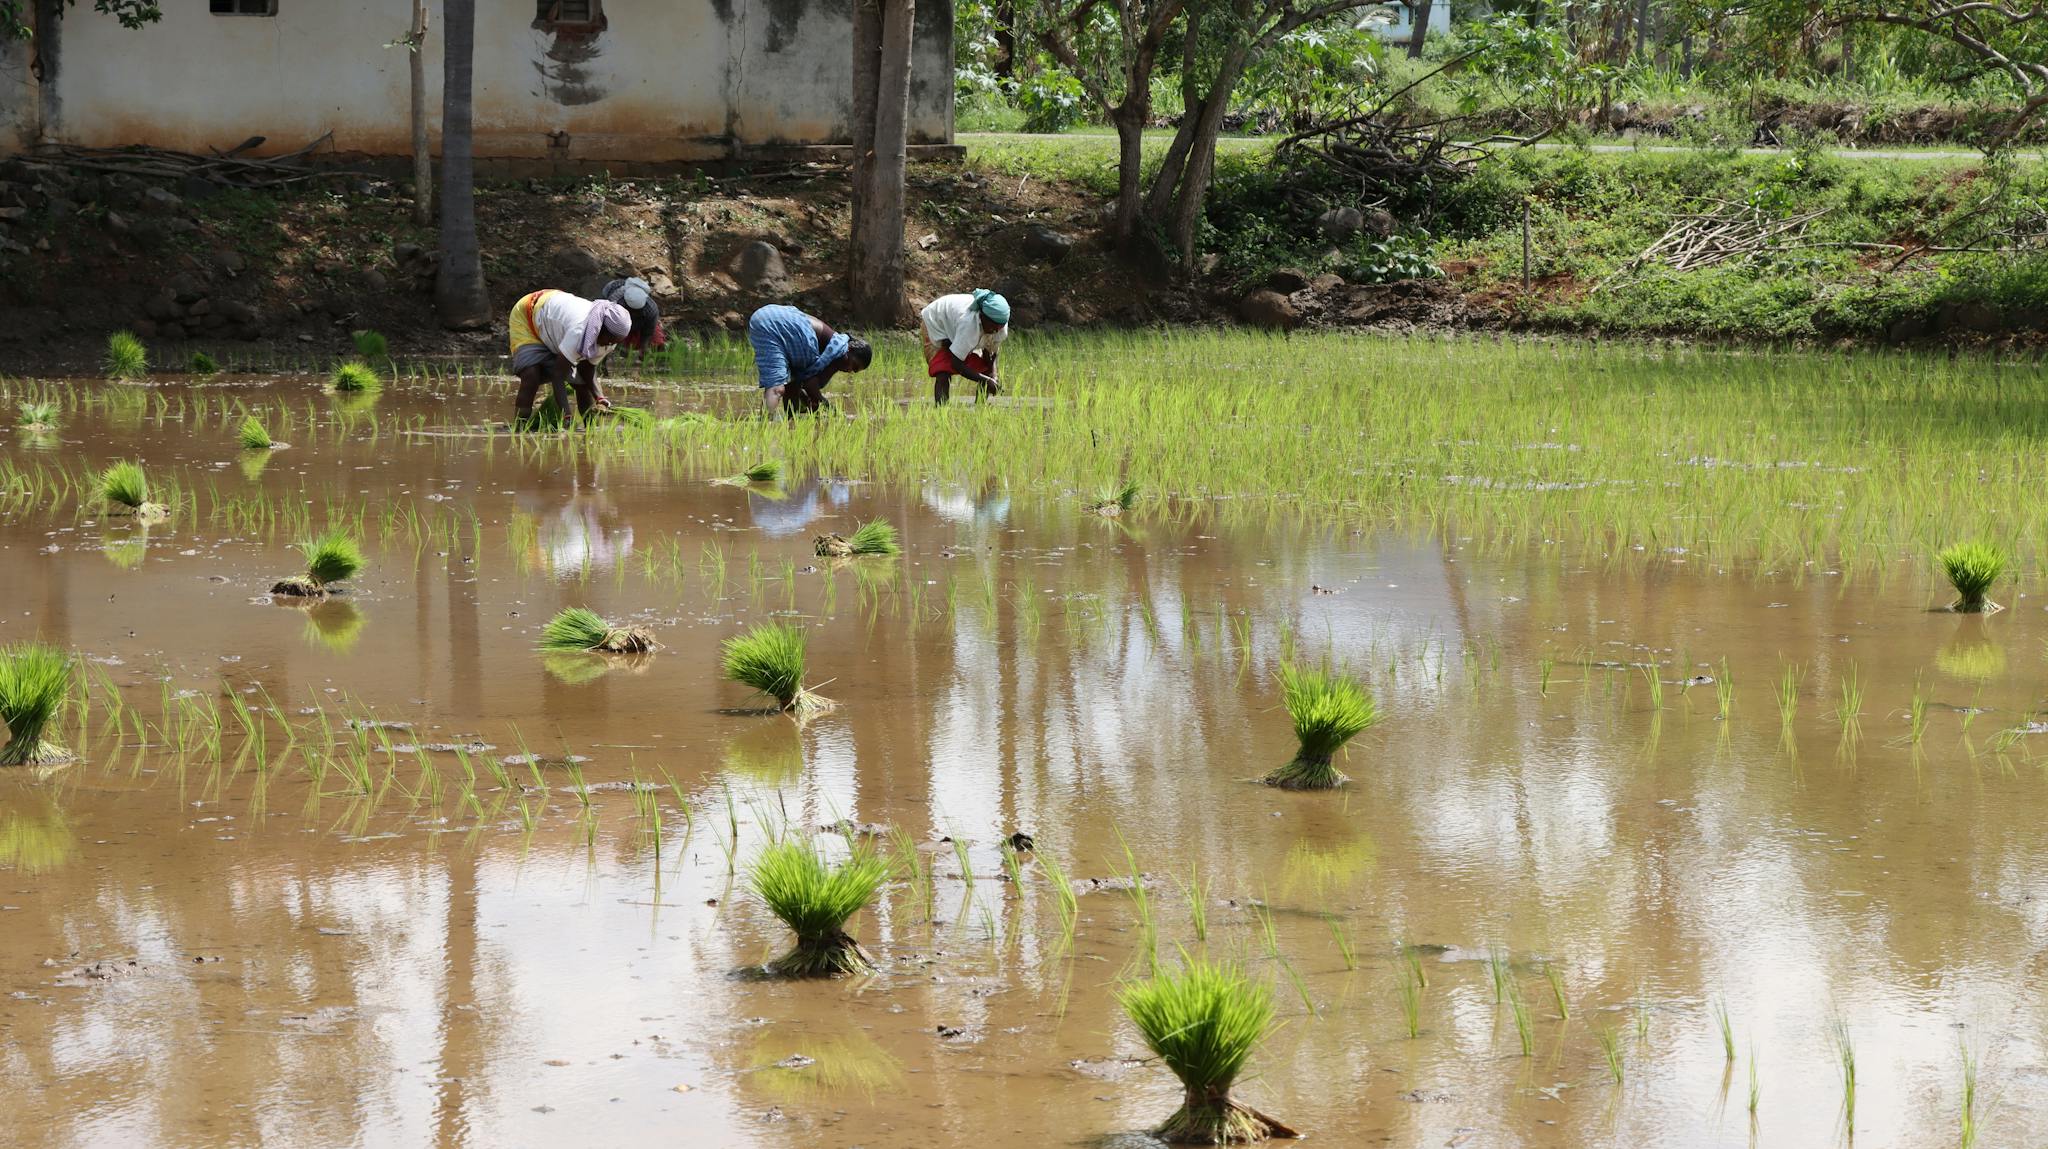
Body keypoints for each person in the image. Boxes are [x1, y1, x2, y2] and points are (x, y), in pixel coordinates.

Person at [506, 289, 630, 427]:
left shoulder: (609, 340)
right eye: (610, 340)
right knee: (531, 375)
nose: (610, 345)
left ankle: (591, 428)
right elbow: (558, 376)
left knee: (582, 384)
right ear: (599, 329)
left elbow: (587, 368)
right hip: (529, 314)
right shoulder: (579, 331)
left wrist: (600, 397)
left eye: (615, 342)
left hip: (555, 325)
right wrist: (567, 414)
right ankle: (520, 427)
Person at [747, 304, 872, 418]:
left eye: (854, 371)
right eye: (854, 366)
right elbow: (810, 385)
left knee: (788, 386)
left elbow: (795, 385)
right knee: (777, 388)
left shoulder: (831, 346)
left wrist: (800, 407)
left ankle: (782, 423)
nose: (850, 370)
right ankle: (763, 428)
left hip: (763, 315)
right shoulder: (838, 351)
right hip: (776, 326)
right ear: (850, 349)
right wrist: (831, 410)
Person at [920, 289, 1009, 405]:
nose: (996, 330)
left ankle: (980, 409)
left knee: (986, 368)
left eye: (1000, 327)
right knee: (942, 370)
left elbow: (991, 353)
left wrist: (993, 375)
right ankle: (941, 412)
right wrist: (986, 380)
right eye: (993, 326)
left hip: (956, 324)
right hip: (937, 322)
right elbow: (956, 363)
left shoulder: (999, 326)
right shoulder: (968, 323)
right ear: (982, 317)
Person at [599, 276, 668, 353]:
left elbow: (649, 331)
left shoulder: (651, 309)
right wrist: (617, 346)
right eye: (631, 311)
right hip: (618, 323)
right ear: (625, 304)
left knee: (656, 338)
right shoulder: (615, 303)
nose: (633, 314)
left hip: (638, 325)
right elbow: (608, 326)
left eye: (637, 311)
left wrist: (644, 347)